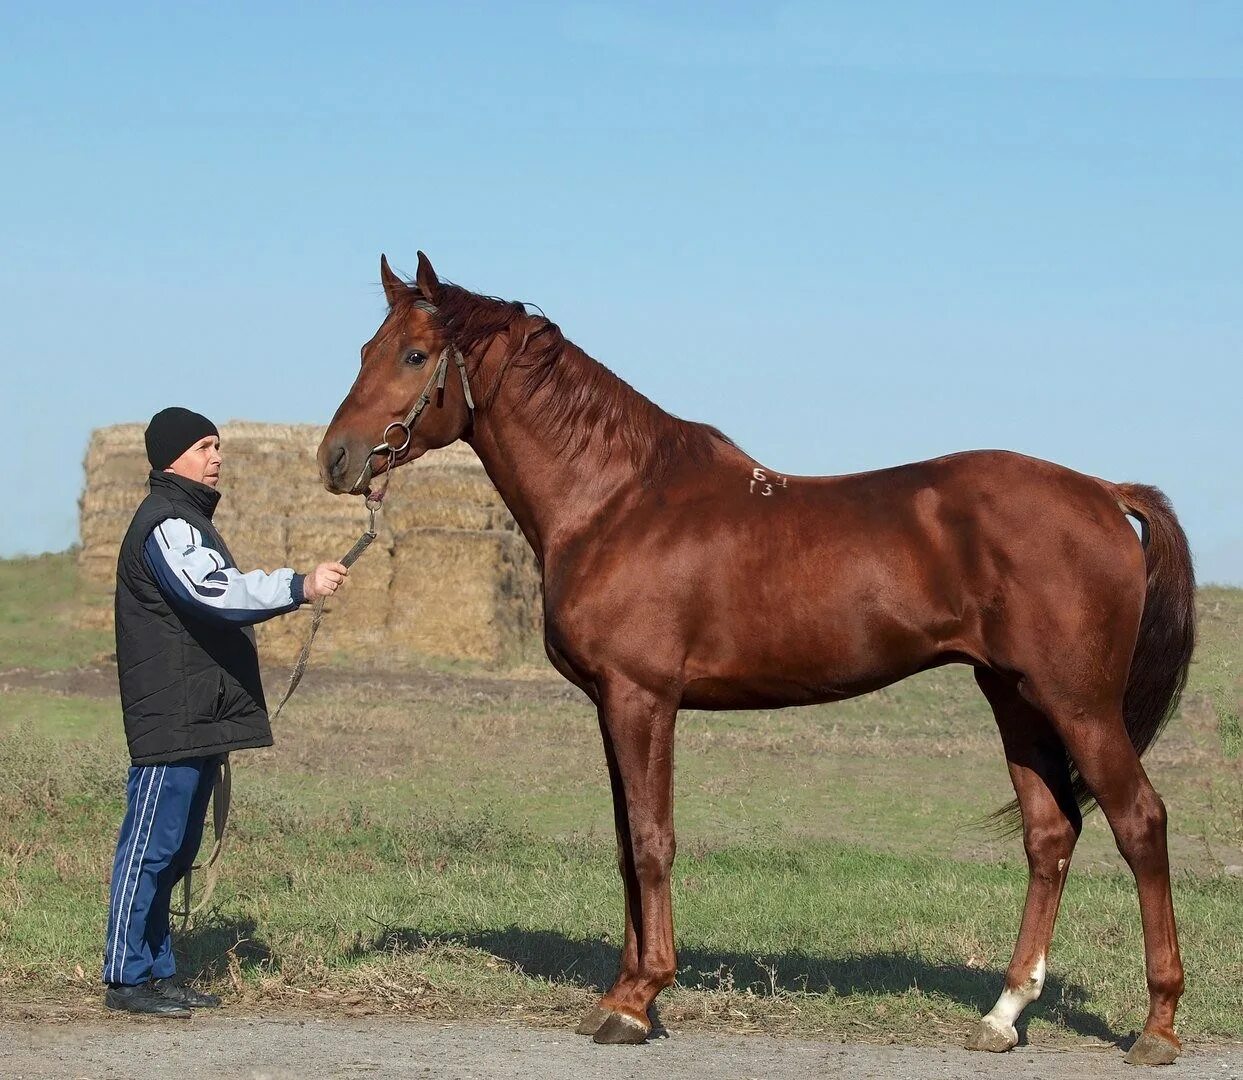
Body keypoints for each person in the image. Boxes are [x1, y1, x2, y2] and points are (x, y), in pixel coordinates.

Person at [102, 407, 348, 1017]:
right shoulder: (167, 524)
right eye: (206, 446)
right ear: (170, 457)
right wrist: (299, 585)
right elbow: (215, 592)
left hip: (197, 712)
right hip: (174, 714)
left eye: (219, 446)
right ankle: (124, 977)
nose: (218, 458)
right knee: (150, 847)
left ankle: (158, 972)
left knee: (178, 849)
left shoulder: (186, 518)